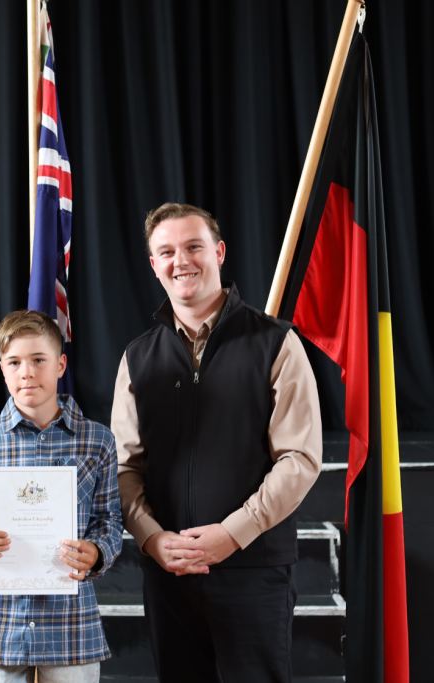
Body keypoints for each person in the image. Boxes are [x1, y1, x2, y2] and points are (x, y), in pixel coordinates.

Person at [111, 203, 323, 682]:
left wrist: (233, 534)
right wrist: (151, 538)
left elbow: (300, 459)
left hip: (254, 569)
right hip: (170, 573)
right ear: (153, 264)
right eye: (166, 251)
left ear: (219, 252)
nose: (180, 260)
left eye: (193, 247)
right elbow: (126, 468)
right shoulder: (138, 357)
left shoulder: (276, 343)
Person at [0, 310, 123, 683]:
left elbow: (109, 521)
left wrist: (97, 553)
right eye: (15, 362)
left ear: (60, 365)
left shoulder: (97, 441)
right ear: (2, 369)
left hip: (70, 625)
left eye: (38, 360)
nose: (26, 372)